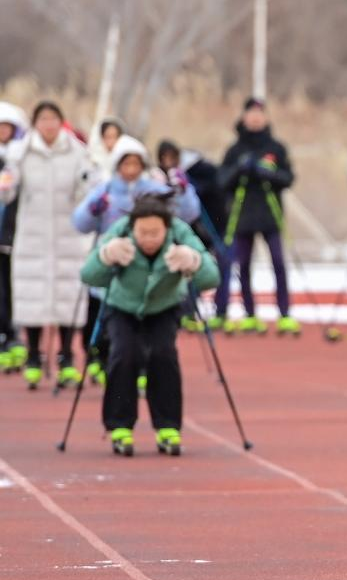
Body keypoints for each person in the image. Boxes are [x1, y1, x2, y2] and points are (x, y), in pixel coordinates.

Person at [81, 195, 219, 456]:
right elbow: (88, 275)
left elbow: (212, 278)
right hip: (122, 306)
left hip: (163, 307)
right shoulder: (120, 231)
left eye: (155, 232)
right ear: (133, 227)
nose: (149, 239)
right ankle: (120, 425)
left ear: (166, 228)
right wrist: (105, 255)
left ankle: (167, 426)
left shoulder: (180, 233)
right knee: (123, 354)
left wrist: (194, 261)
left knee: (163, 355)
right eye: (142, 232)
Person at [73, 135, 200, 381]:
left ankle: (141, 369)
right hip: (112, 267)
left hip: (149, 269)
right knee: (105, 324)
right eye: (125, 164)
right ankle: (100, 361)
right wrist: (92, 210)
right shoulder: (106, 190)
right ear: (117, 165)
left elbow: (187, 213)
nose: (131, 170)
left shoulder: (153, 191)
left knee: (142, 328)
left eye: (136, 164)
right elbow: (80, 223)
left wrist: (183, 191)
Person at [0, 101, 93, 389]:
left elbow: (85, 193)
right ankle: (33, 356)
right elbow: (8, 193)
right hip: (32, 233)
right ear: (35, 123)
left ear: (61, 122)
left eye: (54, 119)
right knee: (32, 294)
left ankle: (66, 356)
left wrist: (87, 184)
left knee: (67, 294)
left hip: (67, 233)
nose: (49, 125)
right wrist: (7, 182)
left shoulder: (77, 152)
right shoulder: (21, 152)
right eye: (43, 119)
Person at [218, 97, 297, 336]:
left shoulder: (276, 148)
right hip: (242, 216)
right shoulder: (235, 150)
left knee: (278, 263)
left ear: (265, 117)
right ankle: (250, 313)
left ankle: (284, 313)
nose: (255, 118)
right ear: (243, 117)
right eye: (250, 114)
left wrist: (267, 173)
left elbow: (288, 178)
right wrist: (239, 169)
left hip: (270, 214)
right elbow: (222, 181)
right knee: (243, 265)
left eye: (259, 114)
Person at [157, 139, 231, 330]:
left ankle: (204, 310)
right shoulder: (156, 177)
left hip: (200, 229)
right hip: (172, 232)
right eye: (164, 157)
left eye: (172, 157)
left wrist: (185, 188)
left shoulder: (197, 173)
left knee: (203, 267)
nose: (168, 161)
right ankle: (180, 310)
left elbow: (194, 207)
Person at [0, 101, 28, 373]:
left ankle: (13, 333)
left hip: (11, 234)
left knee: (11, 285)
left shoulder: (19, 159)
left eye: (6, 128)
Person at [88, 117, 126, 181]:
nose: (112, 141)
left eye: (116, 137)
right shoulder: (91, 162)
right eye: (109, 137)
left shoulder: (125, 161)